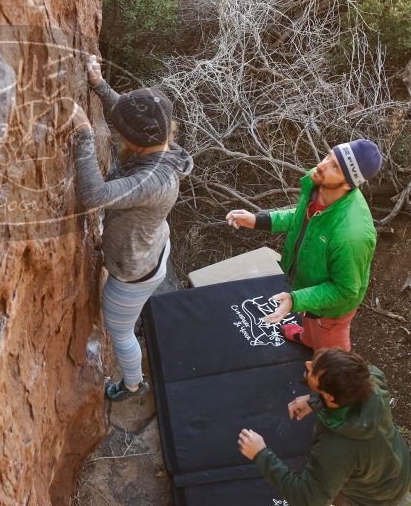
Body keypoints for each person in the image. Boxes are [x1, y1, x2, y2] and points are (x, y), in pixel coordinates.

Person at [69, 56, 193, 401]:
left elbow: (93, 195)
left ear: (132, 141)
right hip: (149, 246)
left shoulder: (152, 179)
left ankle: (133, 383)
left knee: (120, 330)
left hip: (133, 271)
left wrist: (83, 137)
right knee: (123, 323)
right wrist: (99, 86)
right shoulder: (162, 145)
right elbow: (131, 119)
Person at [225, 140, 382, 350]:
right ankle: (307, 338)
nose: (322, 165)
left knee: (330, 354)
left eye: (335, 166)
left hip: (330, 312)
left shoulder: (352, 235)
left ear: (348, 184)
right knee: (309, 321)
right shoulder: (317, 184)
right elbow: (302, 216)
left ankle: (323, 369)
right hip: (307, 286)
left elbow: (344, 291)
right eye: (328, 156)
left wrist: (295, 299)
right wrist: (258, 220)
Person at [238, 348, 411, 506]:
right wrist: (316, 400)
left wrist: (261, 454)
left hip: (371, 498)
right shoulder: (371, 379)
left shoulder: (336, 447)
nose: (307, 363)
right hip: (399, 470)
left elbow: (307, 499)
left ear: (330, 397)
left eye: (313, 368)